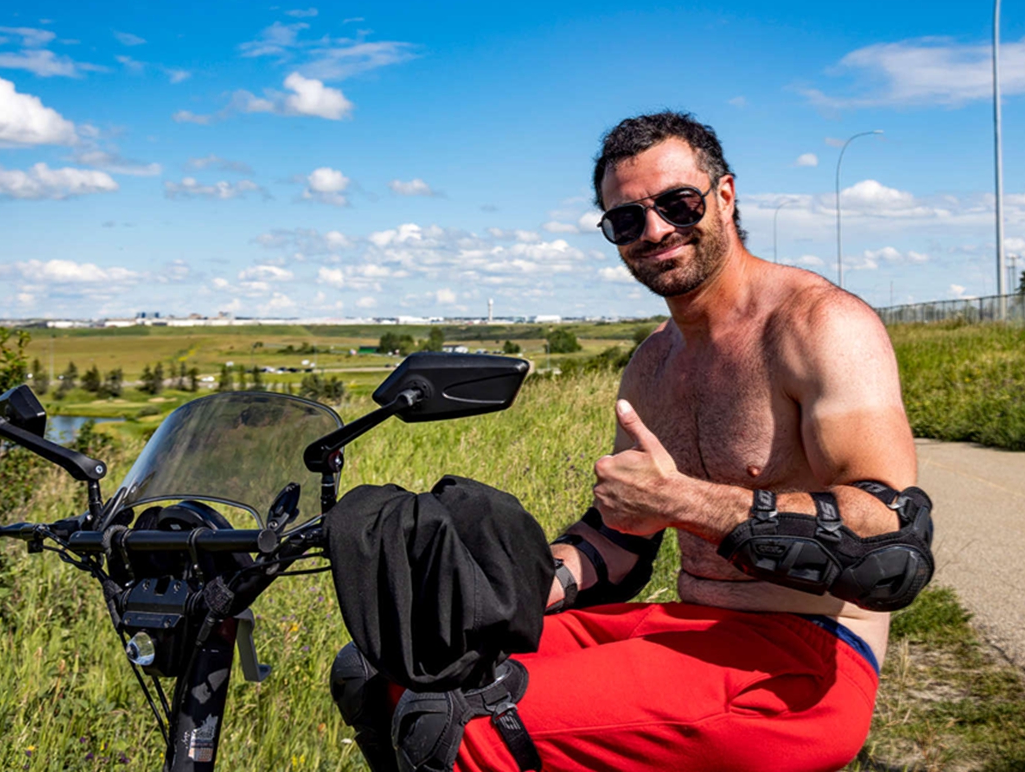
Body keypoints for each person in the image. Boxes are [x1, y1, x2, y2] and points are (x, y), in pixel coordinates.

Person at [332, 111, 932, 772]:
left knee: (456, 726)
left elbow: (890, 540)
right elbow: (620, 541)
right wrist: (514, 590)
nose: (654, 230)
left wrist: (680, 499)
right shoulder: (652, 364)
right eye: (626, 219)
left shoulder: (819, 325)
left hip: (805, 659)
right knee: (384, 670)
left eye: (678, 203)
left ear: (725, 196)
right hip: (690, 625)